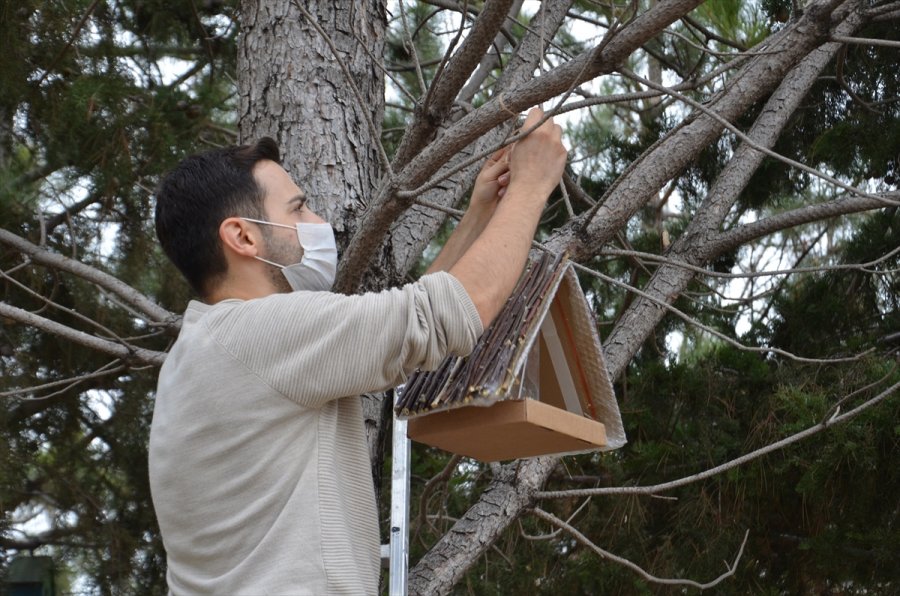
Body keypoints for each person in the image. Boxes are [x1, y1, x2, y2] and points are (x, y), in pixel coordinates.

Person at [148, 107, 566, 595]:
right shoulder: (261, 333)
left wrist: (481, 215)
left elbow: (409, 325)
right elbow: (448, 312)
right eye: (298, 209)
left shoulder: (207, 349)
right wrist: (532, 186)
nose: (318, 222)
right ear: (243, 236)